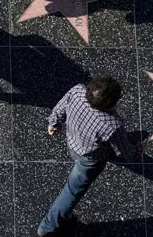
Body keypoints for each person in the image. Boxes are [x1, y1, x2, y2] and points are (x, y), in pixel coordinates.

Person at [37, 76, 143, 237]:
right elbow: (125, 152)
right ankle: (48, 227)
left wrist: (54, 124)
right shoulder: (113, 124)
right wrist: (138, 150)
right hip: (91, 160)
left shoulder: (78, 91)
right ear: (112, 103)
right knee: (72, 192)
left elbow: (60, 108)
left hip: (73, 143)